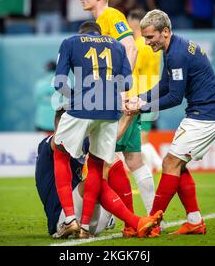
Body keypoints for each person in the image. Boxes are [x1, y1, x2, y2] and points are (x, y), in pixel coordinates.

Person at [53, 21, 162, 239]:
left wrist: (76, 97)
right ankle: (84, 227)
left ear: (81, 33)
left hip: (83, 106)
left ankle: (69, 220)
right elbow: (127, 83)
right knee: (97, 165)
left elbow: (60, 82)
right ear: (99, 33)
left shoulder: (70, 42)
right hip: (110, 110)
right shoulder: (116, 45)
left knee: (59, 153)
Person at [137, 9, 215, 236]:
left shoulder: (176, 54)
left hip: (205, 116)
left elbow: (175, 98)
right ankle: (194, 221)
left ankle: (151, 222)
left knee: (170, 163)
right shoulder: (173, 48)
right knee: (177, 164)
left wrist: (141, 107)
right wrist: (140, 98)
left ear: (165, 32)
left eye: (150, 37)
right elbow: (164, 85)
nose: (147, 43)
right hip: (203, 114)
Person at [78, 0, 155, 223]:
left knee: (106, 159)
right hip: (120, 98)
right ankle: (148, 216)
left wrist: (120, 88)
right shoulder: (101, 21)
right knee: (130, 159)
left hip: (121, 98)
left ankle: (124, 218)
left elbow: (130, 48)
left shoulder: (111, 16)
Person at [35, 108, 162, 239]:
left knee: (109, 158)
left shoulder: (78, 140)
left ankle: (129, 225)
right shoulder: (49, 144)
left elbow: (109, 142)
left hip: (89, 219)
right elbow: (58, 139)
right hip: (61, 220)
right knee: (90, 182)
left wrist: (128, 117)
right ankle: (135, 222)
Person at [127, 9, 162, 173]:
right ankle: (155, 167)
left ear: (136, 23)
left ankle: (160, 166)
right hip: (152, 91)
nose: (126, 24)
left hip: (143, 93)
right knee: (142, 137)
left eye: (129, 20)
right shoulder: (152, 43)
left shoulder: (140, 44)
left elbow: (134, 68)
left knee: (141, 138)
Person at [33, 61, 57, 133]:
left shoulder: (39, 84)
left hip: (41, 123)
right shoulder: (64, 83)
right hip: (57, 123)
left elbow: (36, 100)